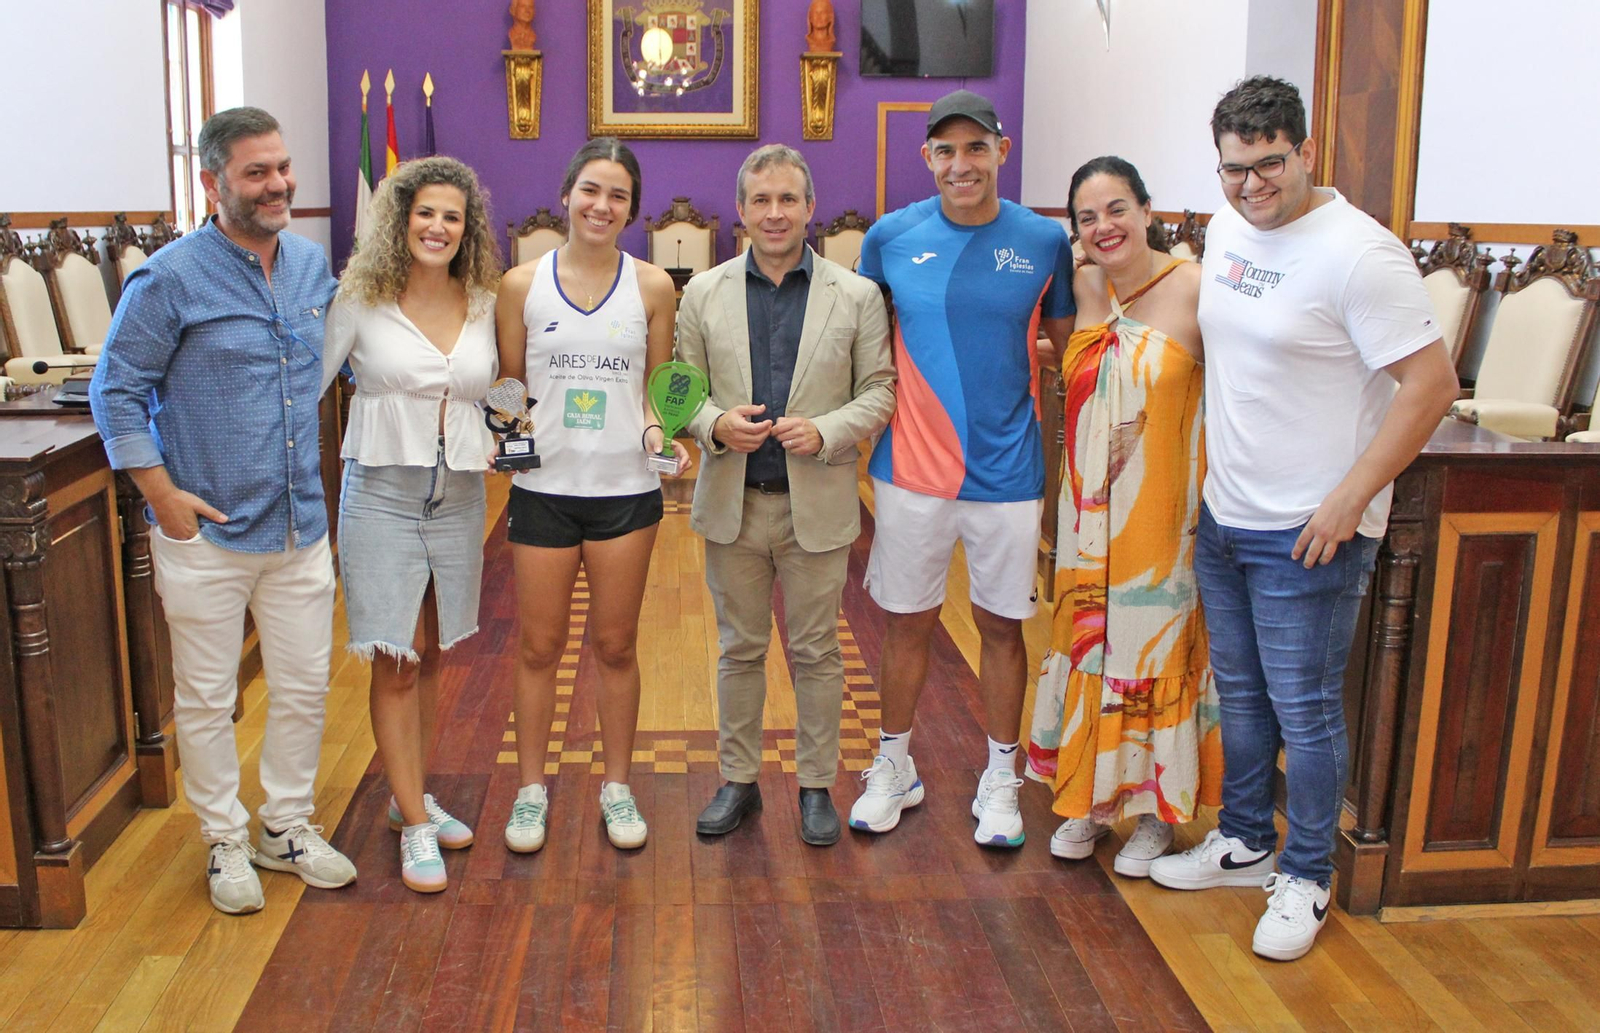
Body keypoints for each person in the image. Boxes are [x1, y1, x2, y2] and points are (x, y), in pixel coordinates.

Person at [1148, 76, 1458, 962]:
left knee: (1307, 707)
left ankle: (1308, 872)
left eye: (1268, 165)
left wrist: (1352, 497)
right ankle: (1245, 839)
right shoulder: (1229, 229)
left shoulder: (1360, 253)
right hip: (1228, 513)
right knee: (1241, 694)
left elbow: (1431, 386)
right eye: (1233, 169)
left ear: (1308, 150)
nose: (1251, 186)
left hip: (1312, 530)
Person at [89, 107, 356, 914]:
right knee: (206, 697)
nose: (278, 184)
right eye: (256, 172)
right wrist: (161, 496)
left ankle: (284, 826)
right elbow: (116, 389)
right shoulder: (169, 278)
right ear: (213, 183)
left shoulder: (312, 267)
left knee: (307, 685)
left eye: (282, 167)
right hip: (204, 528)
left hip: (300, 523)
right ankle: (223, 838)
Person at [848, 89, 1076, 847]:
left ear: (1001, 152)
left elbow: (1066, 352)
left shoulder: (1044, 242)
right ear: (927, 160)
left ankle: (1002, 778)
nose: (961, 163)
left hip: (1008, 472)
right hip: (910, 470)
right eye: (945, 150)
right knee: (906, 622)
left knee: (1002, 627)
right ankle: (894, 767)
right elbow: (864, 344)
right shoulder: (888, 236)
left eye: (975, 148)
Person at [677, 144, 895, 845]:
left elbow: (880, 390)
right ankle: (738, 782)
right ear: (740, 210)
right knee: (739, 649)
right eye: (761, 200)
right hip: (733, 505)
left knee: (816, 652)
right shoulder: (702, 293)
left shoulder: (855, 295)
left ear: (810, 208)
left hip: (817, 505)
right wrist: (714, 425)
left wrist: (828, 430)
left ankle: (814, 786)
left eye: (788, 199)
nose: (775, 213)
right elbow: (683, 391)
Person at [1024, 156, 1222, 877]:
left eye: (1117, 209)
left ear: (1146, 208)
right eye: (1086, 217)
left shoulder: (1196, 290)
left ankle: (1154, 813)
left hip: (1162, 510)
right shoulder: (1083, 287)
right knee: (1086, 641)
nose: (1104, 226)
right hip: (1085, 510)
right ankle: (1086, 795)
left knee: (1151, 648)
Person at [494, 139, 688, 853]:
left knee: (615, 644)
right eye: (590, 190)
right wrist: (505, 433)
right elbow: (510, 385)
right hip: (543, 490)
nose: (601, 206)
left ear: (632, 210)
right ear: (567, 193)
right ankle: (530, 790)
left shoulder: (653, 287)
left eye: (617, 196)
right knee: (539, 646)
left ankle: (617, 785)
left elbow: (656, 390)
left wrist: (658, 436)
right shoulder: (520, 284)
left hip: (624, 492)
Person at [322, 156, 502, 894]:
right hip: (383, 494)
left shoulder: (485, 299)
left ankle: (411, 796)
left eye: (452, 216)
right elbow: (307, 389)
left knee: (431, 655)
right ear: (400, 220)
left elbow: (504, 392)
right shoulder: (361, 297)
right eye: (425, 212)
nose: (437, 226)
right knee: (396, 654)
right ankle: (413, 820)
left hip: (458, 497)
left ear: (468, 229)